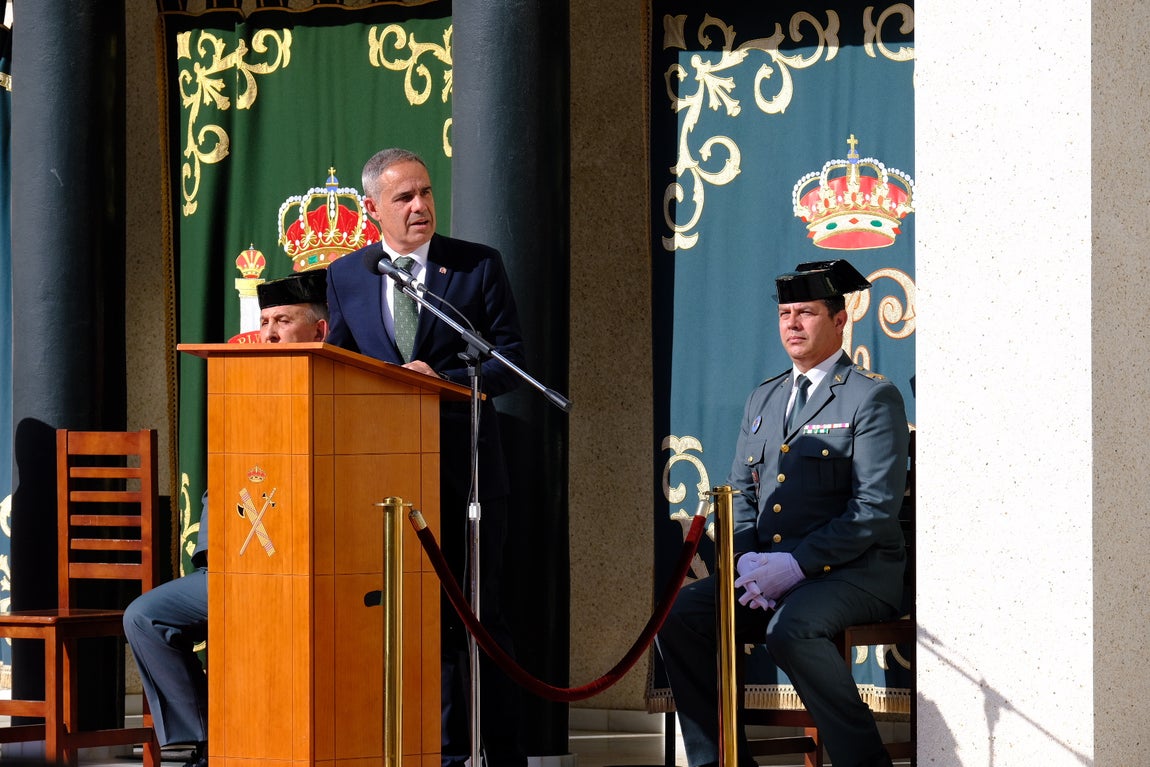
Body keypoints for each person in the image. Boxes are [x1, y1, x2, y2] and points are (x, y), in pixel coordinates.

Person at [656, 259, 910, 767]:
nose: (792, 324)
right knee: (680, 618)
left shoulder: (872, 396)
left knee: (789, 629)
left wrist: (795, 566)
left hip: (855, 573)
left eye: (807, 313)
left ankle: (864, 761)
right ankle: (719, 761)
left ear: (840, 321)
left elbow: (874, 509)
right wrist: (748, 561)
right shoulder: (765, 397)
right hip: (768, 571)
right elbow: (744, 497)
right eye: (785, 313)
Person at [324, 148, 526, 767]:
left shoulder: (474, 267)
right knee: (412, 614)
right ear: (372, 209)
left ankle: (492, 748)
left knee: (476, 609)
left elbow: (510, 358)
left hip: (465, 468)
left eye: (426, 193)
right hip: (390, 476)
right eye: (404, 198)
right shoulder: (349, 275)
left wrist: (439, 379)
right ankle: (428, 748)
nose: (420, 206)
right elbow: (340, 364)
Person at [123, 270, 330, 767]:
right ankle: (204, 740)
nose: (269, 333)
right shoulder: (245, 384)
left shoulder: (342, 386)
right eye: (264, 321)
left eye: (283, 320)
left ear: (320, 331)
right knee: (146, 617)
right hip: (235, 563)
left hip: (310, 565)